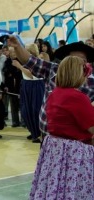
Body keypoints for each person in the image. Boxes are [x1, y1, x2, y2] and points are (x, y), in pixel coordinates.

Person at [30, 56, 94, 200]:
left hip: (55, 150)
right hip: (74, 153)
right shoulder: (78, 98)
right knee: (76, 189)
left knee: (57, 187)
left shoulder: (55, 93)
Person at [7, 36, 94, 139]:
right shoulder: (53, 70)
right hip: (49, 138)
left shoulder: (91, 82)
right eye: (74, 60)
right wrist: (17, 47)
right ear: (65, 62)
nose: (79, 64)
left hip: (75, 142)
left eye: (83, 61)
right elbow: (30, 60)